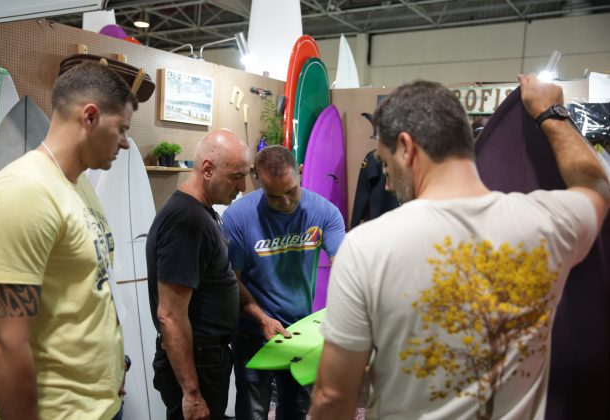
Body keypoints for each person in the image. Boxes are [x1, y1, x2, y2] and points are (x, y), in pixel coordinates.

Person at [311, 75, 610, 419]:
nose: (388, 182)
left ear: (407, 148)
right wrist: (550, 112)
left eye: (386, 162)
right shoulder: (546, 224)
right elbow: (596, 184)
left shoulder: (366, 247)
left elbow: (333, 397)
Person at [0, 62, 137, 419]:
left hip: (103, 405)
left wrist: (111, 367)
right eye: (122, 130)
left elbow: (89, 291)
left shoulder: (78, 184)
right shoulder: (23, 191)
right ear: (91, 117)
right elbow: (5, 342)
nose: (126, 143)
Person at [222, 145, 346, 420]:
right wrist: (262, 319)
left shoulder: (325, 213)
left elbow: (345, 267)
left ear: (300, 172)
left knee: (298, 411)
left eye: (291, 191)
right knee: (252, 413)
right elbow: (232, 281)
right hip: (252, 332)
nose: (286, 202)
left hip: (300, 332)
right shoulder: (237, 218)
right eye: (275, 197)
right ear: (258, 182)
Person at [146, 129, 251, 420]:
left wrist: (259, 314)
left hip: (208, 357)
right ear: (207, 170)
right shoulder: (186, 222)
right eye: (236, 176)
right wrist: (191, 394)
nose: (243, 186)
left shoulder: (204, 212)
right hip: (198, 360)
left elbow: (220, 276)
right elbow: (170, 314)